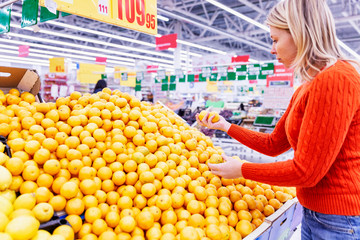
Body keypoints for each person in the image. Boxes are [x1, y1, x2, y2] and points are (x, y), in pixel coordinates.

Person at [197, 0, 360, 239]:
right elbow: (273, 144)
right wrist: (225, 126)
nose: (272, 49)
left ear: (301, 33)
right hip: (316, 214)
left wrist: (241, 169)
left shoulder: (336, 79)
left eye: (275, 39)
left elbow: (306, 172)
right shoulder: (307, 87)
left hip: (338, 221)